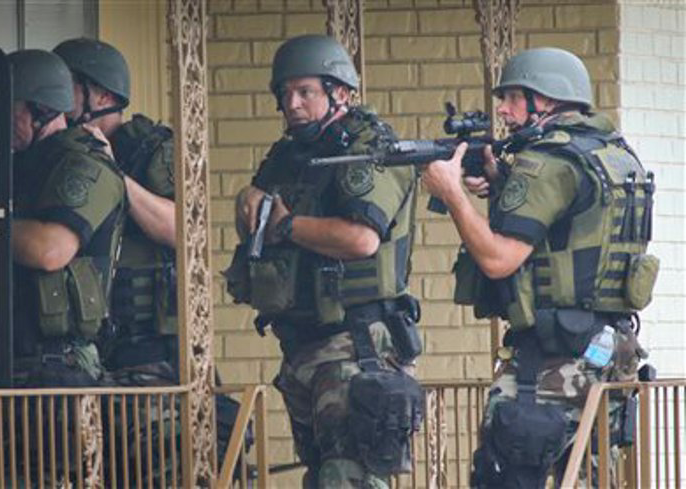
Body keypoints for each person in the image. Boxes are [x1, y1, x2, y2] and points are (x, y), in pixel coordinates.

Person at [421, 47, 655, 487]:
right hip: (609, 348)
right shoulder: (612, 153)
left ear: (545, 100)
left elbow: (497, 260)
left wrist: (453, 195)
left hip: (552, 363)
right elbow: (573, 232)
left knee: (504, 474)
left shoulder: (547, 161)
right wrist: (500, 182)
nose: (503, 111)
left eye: (512, 97)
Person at [225, 34, 424, 488]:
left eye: (305, 92)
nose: (291, 103)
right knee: (322, 477)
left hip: (354, 346)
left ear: (341, 93)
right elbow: (260, 224)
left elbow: (361, 239)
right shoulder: (289, 155)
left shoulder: (368, 149)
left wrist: (286, 225)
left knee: (347, 478)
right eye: (285, 93)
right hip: (303, 345)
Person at [53, 38, 179, 386]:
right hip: (82, 344)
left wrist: (113, 174)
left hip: (147, 346)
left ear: (104, 97)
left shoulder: (150, 149)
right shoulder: (59, 150)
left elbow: (183, 229)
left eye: (67, 88)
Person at [8, 48, 126, 389]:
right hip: (10, 356)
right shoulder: (18, 164)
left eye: (11, 109)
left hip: (60, 367)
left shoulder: (83, 163)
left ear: (40, 110)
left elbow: (50, 250)